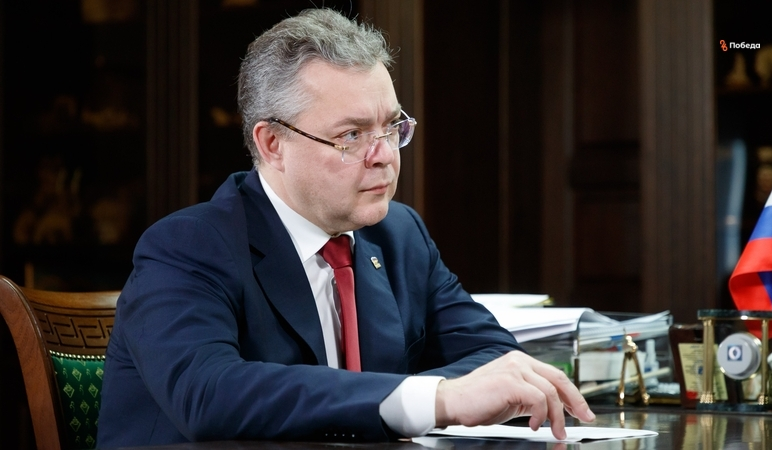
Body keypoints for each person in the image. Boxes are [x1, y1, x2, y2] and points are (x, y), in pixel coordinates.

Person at [97, 8, 594, 447]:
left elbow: (493, 358)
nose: (384, 157)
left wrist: (434, 396)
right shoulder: (188, 246)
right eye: (351, 135)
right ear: (272, 144)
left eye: (391, 128)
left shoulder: (398, 235)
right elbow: (210, 394)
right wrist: (436, 399)